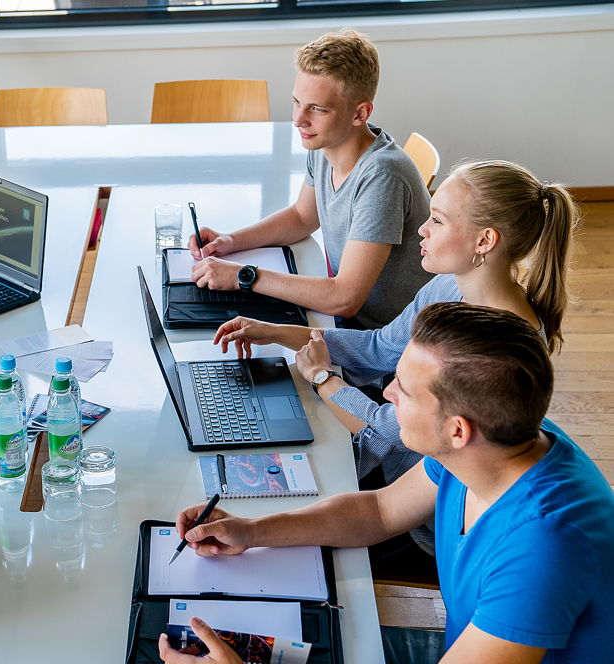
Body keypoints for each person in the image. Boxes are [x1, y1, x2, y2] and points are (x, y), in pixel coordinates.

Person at [163, 303, 614, 664]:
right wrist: (252, 531)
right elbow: (378, 511)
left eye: (406, 389)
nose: (387, 393)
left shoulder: (545, 546)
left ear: (457, 429)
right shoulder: (491, 445)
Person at [213, 160, 578, 553]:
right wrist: (278, 333)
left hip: (420, 519)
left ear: (484, 240)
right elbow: (379, 349)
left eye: (436, 220)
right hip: (389, 474)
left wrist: (323, 380)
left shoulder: (497, 350)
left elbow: (393, 432)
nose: (421, 229)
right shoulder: (449, 285)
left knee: (265, 487)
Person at [188, 29, 431, 330]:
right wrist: (231, 241)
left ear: (360, 113)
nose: (299, 119)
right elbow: (303, 216)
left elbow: (345, 297)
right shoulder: (326, 142)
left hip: (387, 336)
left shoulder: (383, 176)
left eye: (317, 108)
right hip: (347, 318)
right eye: (297, 102)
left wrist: (243, 275)